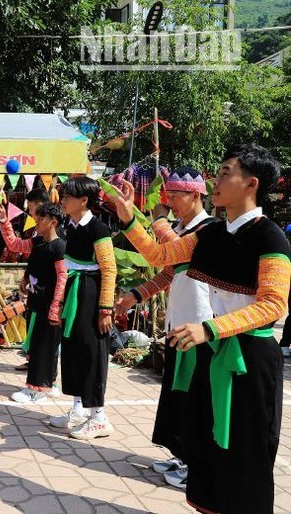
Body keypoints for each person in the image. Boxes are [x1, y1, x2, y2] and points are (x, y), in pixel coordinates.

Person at [113, 144, 291, 514]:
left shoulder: (269, 237)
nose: (217, 179)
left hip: (249, 362)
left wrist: (210, 329)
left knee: (245, 454)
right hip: (213, 351)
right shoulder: (212, 235)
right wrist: (130, 219)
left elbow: (274, 304)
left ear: (250, 184)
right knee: (208, 449)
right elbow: (162, 257)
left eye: (226, 172)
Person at [114, 167, 215, 490]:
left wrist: (152, 220)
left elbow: (165, 251)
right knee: (178, 397)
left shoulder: (210, 229)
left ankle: (199, 466)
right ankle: (184, 455)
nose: (168, 201)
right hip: (178, 324)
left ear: (196, 195)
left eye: (175, 195)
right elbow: (170, 272)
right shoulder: (181, 228)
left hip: (201, 326)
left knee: (197, 398)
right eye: (167, 194)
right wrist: (135, 294)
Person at [48, 176, 117, 440]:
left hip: (90, 293)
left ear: (84, 201)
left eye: (67, 196)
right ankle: (78, 409)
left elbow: (109, 269)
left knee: (91, 353)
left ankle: (99, 418)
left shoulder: (98, 230)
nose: (62, 200)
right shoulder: (71, 225)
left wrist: (105, 309)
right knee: (74, 351)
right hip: (74, 292)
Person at [0, 203, 67, 403]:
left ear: (53, 222)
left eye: (40, 218)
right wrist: (5, 223)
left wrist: (56, 305)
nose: (36, 221)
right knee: (44, 345)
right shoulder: (37, 242)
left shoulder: (60, 246)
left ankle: (36, 389)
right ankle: (50, 384)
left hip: (49, 304)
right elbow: (14, 245)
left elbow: (62, 277)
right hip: (37, 302)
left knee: (42, 347)